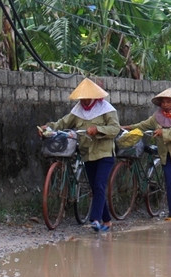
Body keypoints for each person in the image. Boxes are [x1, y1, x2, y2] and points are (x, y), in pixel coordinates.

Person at [39, 78, 120, 232]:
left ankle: (95, 219)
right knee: (96, 188)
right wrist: (48, 127)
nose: (84, 100)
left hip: (104, 153)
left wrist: (98, 129)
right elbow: (63, 123)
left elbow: (115, 129)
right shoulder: (77, 110)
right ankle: (107, 221)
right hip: (87, 154)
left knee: (99, 185)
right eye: (82, 98)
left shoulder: (107, 109)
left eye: (87, 97)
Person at [123, 88, 171, 222]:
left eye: (168, 102)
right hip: (166, 155)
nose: (165, 104)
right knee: (170, 184)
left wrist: (163, 133)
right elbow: (143, 125)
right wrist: (128, 127)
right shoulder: (157, 116)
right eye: (163, 102)